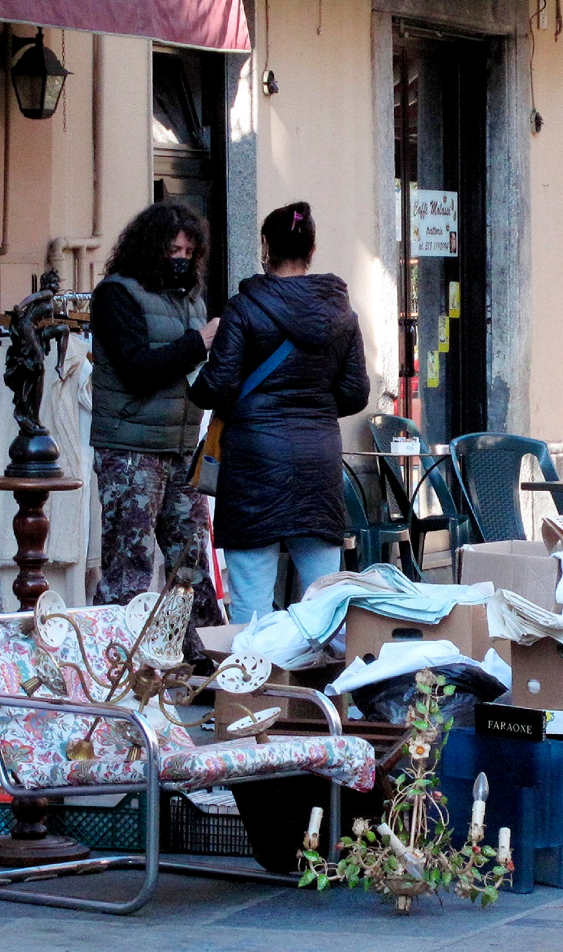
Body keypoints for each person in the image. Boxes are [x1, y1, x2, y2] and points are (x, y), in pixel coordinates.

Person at [190, 202, 370, 623]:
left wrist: (194, 384)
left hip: (254, 462)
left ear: (265, 246)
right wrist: (313, 407)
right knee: (325, 604)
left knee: (251, 602)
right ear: (312, 249)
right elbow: (356, 392)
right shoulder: (341, 312)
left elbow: (216, 386)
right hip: (318, 460)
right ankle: (323, 686)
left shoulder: (244, 308)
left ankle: (252, 686)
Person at [90, 202, 224, 643]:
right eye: (173, 249)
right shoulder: (117, 294)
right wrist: (198, 341)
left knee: (192, 564)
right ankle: (113, 664)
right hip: (131, 450)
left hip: (182, 446)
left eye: (189, 249)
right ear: (151, 249)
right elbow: (136, 368)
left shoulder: (191, 300)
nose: (181, 257)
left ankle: (197, 661)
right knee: (128, 566)